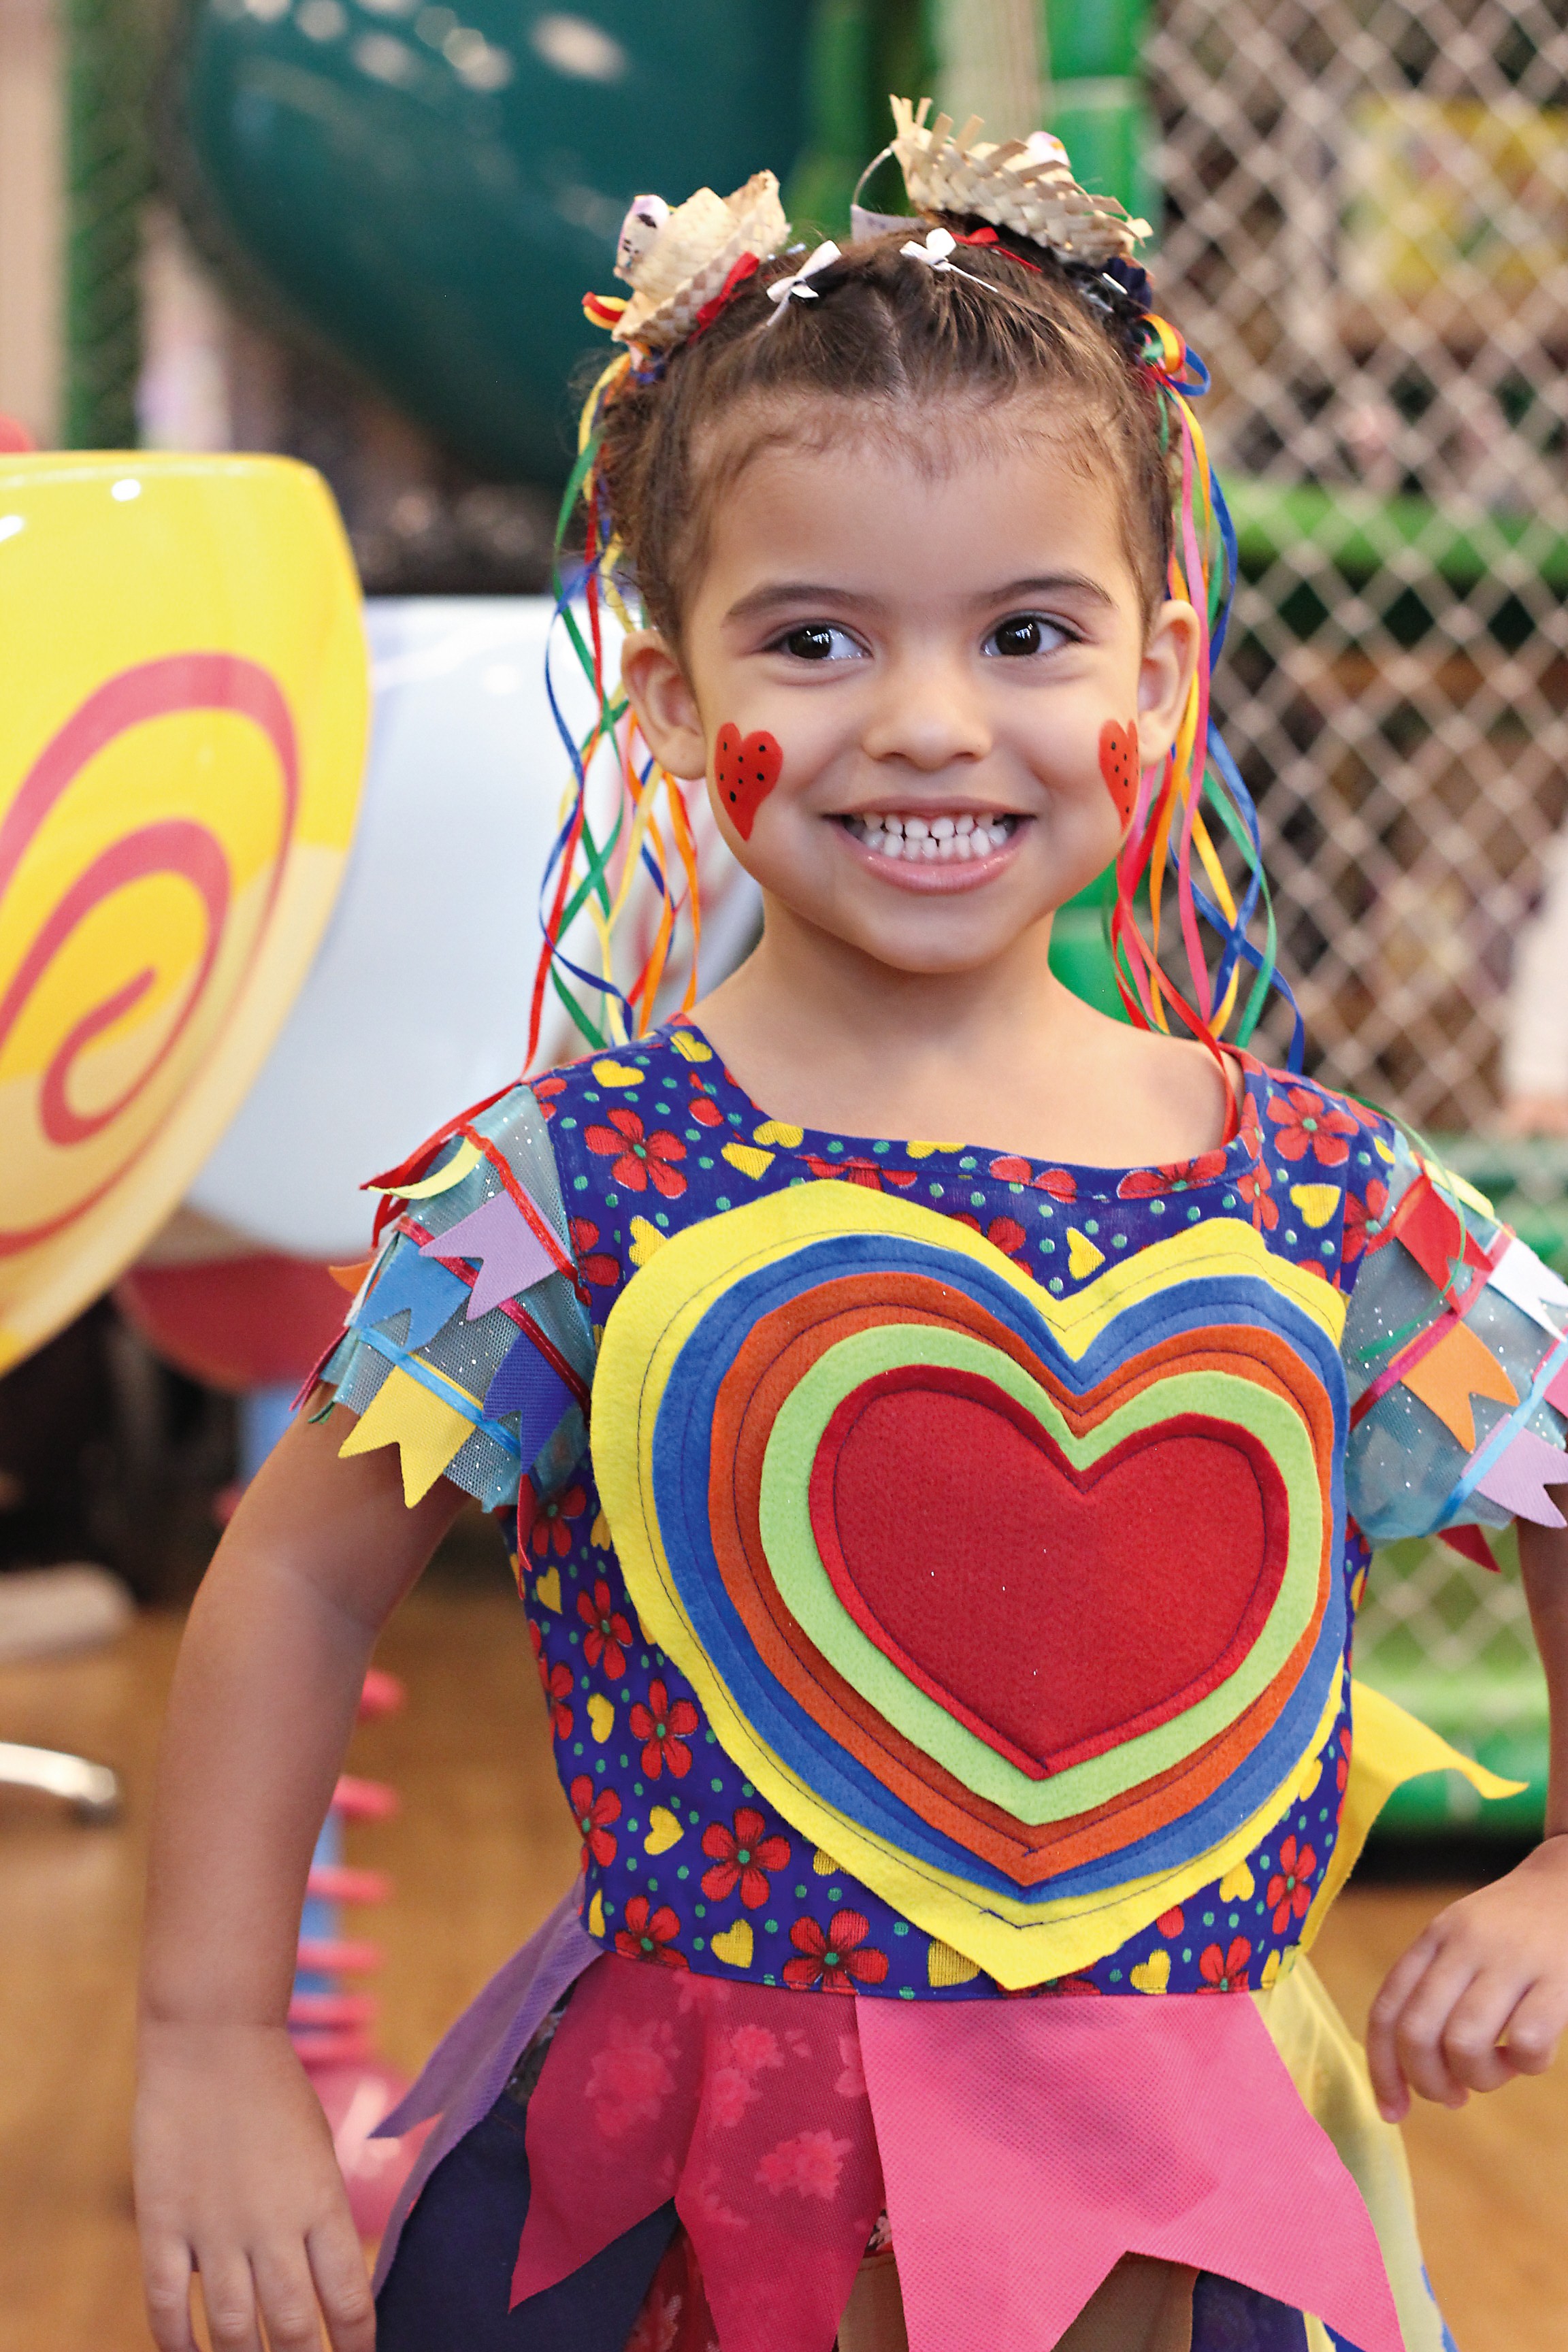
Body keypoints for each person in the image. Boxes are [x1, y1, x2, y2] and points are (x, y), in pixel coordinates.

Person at [134, 103, 1568, 2352]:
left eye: (1025, 632)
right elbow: (301, 1576)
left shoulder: (1334, 1208)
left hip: (1184, 2221)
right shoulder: (562, 1190)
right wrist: (206, 2041)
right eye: (813, 639)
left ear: (1160, 678)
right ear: (673, 693)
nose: (927, 724)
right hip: (673, 2187)